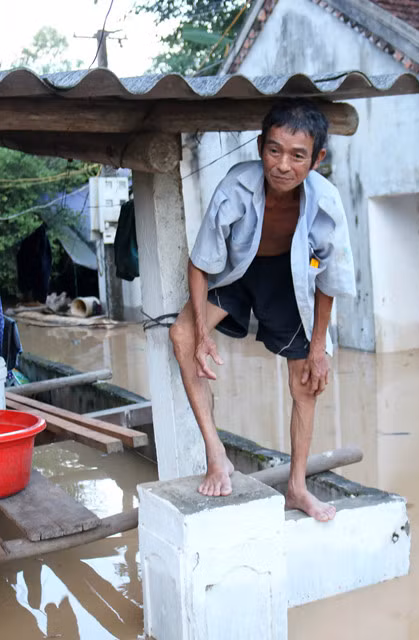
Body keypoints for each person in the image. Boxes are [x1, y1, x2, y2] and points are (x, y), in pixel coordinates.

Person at [168, 99, 355, 522]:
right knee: (180, 336)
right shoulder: (236, 187)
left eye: (297, 155)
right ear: (259, 147)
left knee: (306, 379)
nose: (283, 165)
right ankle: (217, 456)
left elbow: (330, 279)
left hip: (289, 279)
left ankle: (297, 488)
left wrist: (319, 347)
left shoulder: (326, 203)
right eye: (274, 150)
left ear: (317, 158)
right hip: (237, 272)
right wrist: (200, 335)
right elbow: (200, 264)